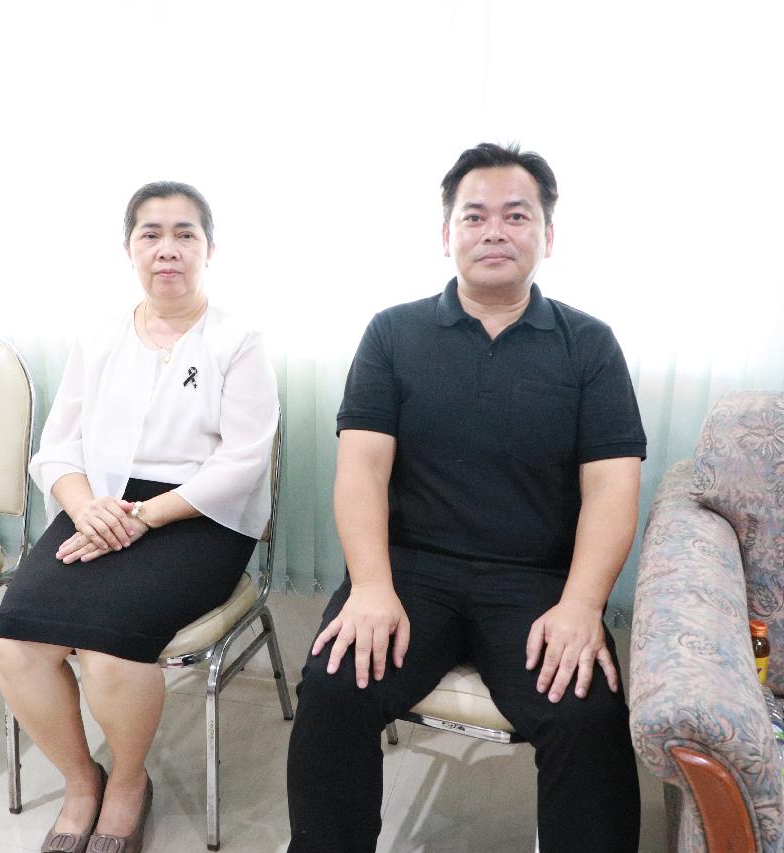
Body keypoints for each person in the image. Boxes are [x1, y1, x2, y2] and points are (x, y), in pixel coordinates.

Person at [285, 143, 645, 852]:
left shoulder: (589, 345)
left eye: (517, 215)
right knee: (334, 689)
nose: (494, 231)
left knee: (586, 714)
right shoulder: (393, 333)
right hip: (409, 573)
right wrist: (371, 586)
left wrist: (581, 606)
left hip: (536, 583)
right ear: (446, 233)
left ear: (548, 235)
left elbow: (612, 486)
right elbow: (361, 471)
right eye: (474, 216)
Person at [0, 181, 278, 853]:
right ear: (129, 249)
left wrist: (144, 517)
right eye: (151, 234)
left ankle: (127, 782)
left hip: (201, 514)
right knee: (15, 639)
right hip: (101, 503)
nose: (167, 249)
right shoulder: (100, 336)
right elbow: (57, 447)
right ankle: (80, 781)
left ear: (209, 249)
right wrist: (84, 507)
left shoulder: (237, 340)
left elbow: (242, 462)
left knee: (111, 649)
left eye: (185, 234)